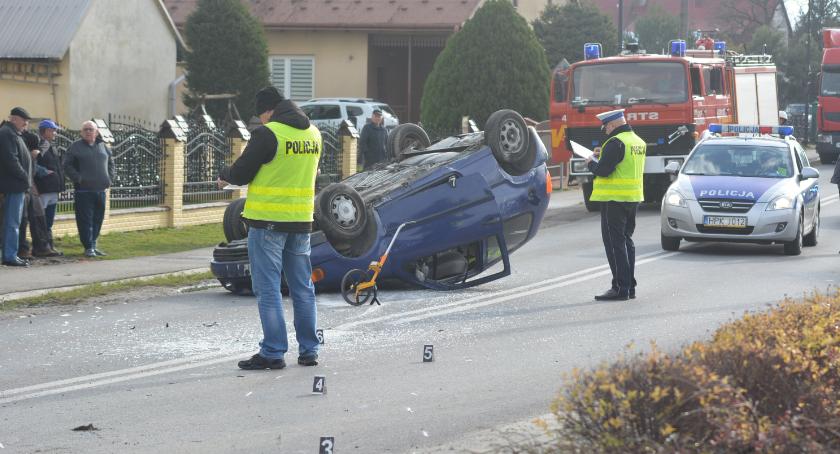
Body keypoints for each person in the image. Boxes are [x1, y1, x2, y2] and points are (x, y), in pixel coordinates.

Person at [217, 86, 322, 370]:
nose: (262, 121)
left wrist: (223, 176)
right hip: (301, 221)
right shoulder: (314, 134)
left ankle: (274, 352)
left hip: (267, 224)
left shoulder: (268, 133)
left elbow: (241, 172)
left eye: (261, 116)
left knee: (268, 289)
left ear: (267, 110)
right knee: (302, 287)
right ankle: (309, 350)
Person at [585, 109, 646, 301]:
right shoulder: (636, 141)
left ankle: (620, 288)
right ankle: (630, 287)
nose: (605, 131)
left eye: (606, 127)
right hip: (632, 198)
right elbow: (622, 162)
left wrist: (590, 163)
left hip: (614, 200)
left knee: (614, 244)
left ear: (612, 125)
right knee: (626, 241)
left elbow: (603, 170)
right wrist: (602, 154)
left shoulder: (615, 142)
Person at [63, 120, 114, 258]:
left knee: (98, 219)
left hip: (100, 190)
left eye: (90, 129)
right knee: (85, 220)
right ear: (81, 132)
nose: (88, 132)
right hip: (83, 191)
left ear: (96, 132)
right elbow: (67, 166)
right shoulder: (75, 147)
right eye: (85, 129)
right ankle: (88, 246)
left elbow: (111, 163)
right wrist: (79, 178)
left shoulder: (103, 146)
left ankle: (93, 244)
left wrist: (110, 179)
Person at [0, 107, 33, 267]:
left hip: (17, 185)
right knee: (12, 223)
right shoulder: (7, 133)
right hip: (14, 185)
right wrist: (25, 177)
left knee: (12, 222)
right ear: (14, 119)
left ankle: (9, 254)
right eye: (24, 121)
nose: (26, 124)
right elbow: (11, 160)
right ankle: (10, 256)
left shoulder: (14, 134)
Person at [19, 130, 59, 258]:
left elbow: (33, 168)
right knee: (22, 219)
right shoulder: (19, 148)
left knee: (39, 215)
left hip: (31, 186)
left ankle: (41, 247)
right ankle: (22, 249)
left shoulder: (30, 150)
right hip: (22, 186)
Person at [35, 119, 65, 251]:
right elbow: (32, 164)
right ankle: (41, 246)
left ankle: (49, 246)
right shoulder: (40, 145)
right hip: (43, 188)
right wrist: (45, 172)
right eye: (53, 130)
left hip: (53, 189)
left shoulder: (52, 145)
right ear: (46, 131)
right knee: (41, 220)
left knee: (49, 220)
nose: (55, 133)